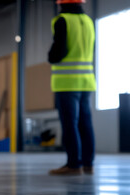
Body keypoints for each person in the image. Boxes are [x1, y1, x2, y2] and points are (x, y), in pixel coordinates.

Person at [48, 0, 95, 175]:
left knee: (70, 124)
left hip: (67, 83)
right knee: (86, 123)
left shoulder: (62, 20)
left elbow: (57, 53)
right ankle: (88, 164)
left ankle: (73, 165)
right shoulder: (88, 22)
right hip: (87, 80)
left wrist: (50, 56)